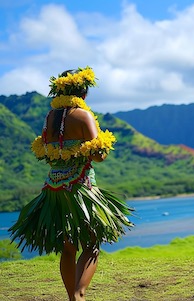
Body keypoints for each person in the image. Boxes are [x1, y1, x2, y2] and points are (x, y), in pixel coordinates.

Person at [9, 67, 134, 301]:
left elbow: (47, 151)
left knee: (68, 247)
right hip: (80, 188)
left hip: (54, 188)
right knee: (92, 243)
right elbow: (98, 155)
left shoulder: (50, 118)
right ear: (83, 92)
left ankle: (71, 297)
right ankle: (79, 294)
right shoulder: (83, 115)